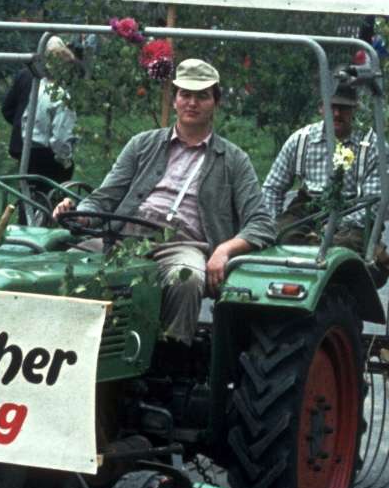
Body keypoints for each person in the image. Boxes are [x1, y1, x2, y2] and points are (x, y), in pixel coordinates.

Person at [53, 58, 275, 346]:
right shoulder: (142, 144)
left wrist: (224, 250)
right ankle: (64, 348)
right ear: (175, 100)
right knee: (64, 266)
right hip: (123, 238)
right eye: (185, 94)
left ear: (216, 102)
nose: (192, 103)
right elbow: (105, 198)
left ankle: (172, 353)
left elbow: (261, 223)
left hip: (182, 246)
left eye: (202, 96)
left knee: (187, 278)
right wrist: (80, 213)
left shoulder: (233, 159)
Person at [262, 72, 387, 276]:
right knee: (281, 237)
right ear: (321, 107)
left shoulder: (372, 146)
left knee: (340, 251)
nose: (336, 114)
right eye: (332, 107)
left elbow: (374, 203)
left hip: (353, 209)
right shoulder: (301, 140)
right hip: (308, 207)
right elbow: (273, 187)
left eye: (343, 108)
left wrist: (334, 226)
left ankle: (334, 287)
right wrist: (270, 223)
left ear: (354, 109)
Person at [4, 37, 79, 195]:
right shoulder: (62, 97)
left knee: (28, 195)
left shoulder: (37, 89)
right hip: (48, 157)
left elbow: (24, 119)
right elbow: (61, 137)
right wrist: (65, 159)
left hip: (29, 152)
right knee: (50, 199)